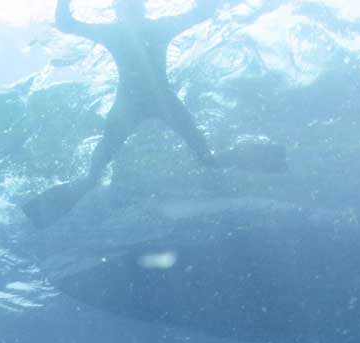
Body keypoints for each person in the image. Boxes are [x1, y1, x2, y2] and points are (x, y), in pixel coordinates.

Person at [24, 0, 220, 228]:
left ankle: (215, 172)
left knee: (96, 172)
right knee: (202, 150)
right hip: (157, 100)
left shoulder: (118, 32)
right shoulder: (153, 28)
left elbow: (66, 24)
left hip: (134, 103)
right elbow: (203, 11)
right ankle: (217, 175)